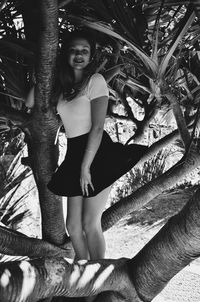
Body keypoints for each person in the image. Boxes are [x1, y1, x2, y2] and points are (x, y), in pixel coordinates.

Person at [27, 29, 148, 262]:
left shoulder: (96, 81)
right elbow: (30, 101)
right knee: (73, 226)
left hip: (98, 152)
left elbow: (97, 127)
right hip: (74, 153)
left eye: (84, 50)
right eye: (73, 51)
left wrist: (86, 167)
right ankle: (83, 270)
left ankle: (98, 273)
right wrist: (47, 73)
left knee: (89, 223)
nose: (79, 55)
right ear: (66, 55)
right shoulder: (62, 87)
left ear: (91, 55)